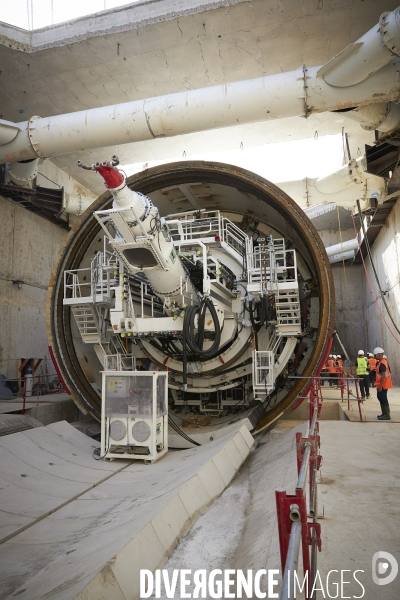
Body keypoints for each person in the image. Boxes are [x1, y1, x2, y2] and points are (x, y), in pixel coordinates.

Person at [374, 347, 392, 420]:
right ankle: (384, 413)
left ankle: (386, 415)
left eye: (375, 355)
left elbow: (383, 375)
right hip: (381, 384)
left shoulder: (382, 363)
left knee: (383, 398)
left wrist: (380, 386)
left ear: (379, 355)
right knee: (380, 398)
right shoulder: (380, 362)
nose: (374, 356)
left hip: (383, 385)